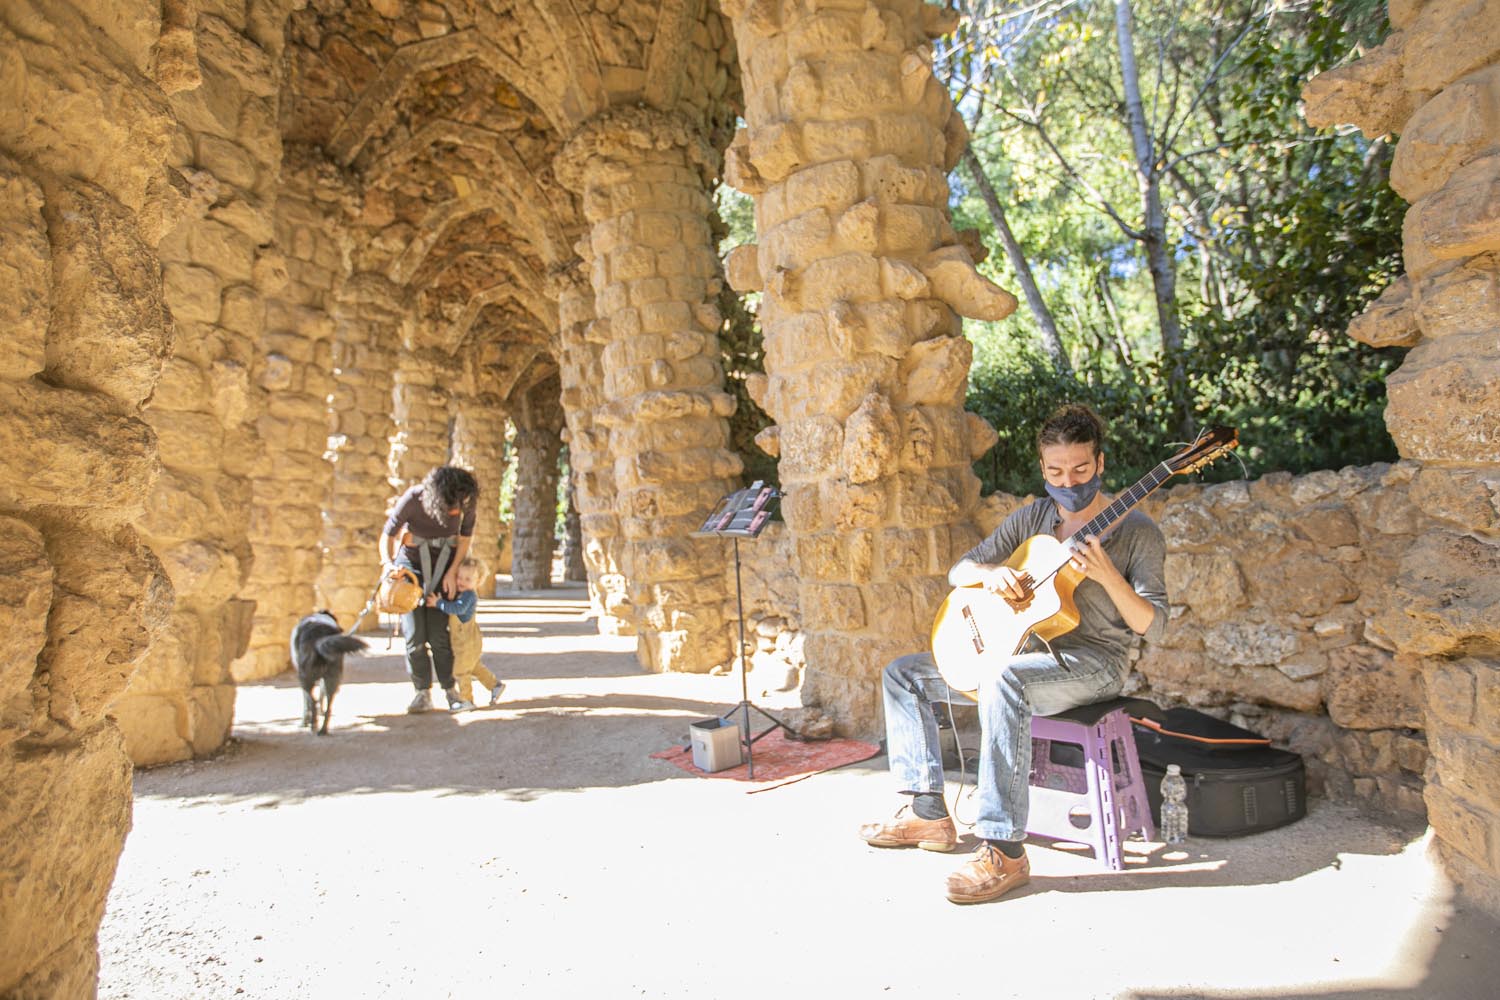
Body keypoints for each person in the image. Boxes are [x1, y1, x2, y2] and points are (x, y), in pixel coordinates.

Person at [858, 403, 1168, 904]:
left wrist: (1108, 575)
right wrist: (991, 575)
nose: (1069, 481)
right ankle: (928, 814)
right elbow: (961, 570)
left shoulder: (1137, 532)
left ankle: (1004, 850)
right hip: (1021, 648)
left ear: (1101, 464)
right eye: (1056, 471)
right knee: (905, 674)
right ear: (1043, 469)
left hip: (1092, 664)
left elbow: (1153, 623)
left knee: (1006, 678)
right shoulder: (1034, 518)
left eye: (1081, 470)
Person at [381, 465, 480, 713]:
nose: (458, 509)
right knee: (415, 636)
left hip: (443, 568)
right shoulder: (415, 498)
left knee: (438, 635)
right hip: (410, 568)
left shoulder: (465, 500)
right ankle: (421, 693)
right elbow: (389, 534)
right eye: (453, 505)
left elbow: (465, 538)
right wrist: (388, 565)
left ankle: (450, 691)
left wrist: (452, 571)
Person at [432, 557, 506, 708]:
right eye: (459, 577)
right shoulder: (462, 593)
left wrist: (438, 603)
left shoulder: (469, 596)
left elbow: (457, 609)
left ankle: (466, 700)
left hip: (467, 641)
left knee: (460, 670)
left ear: (477, 581)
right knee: (473, 667)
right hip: (464, 641)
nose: (462, 581)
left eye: (467, 579)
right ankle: (495, 685)